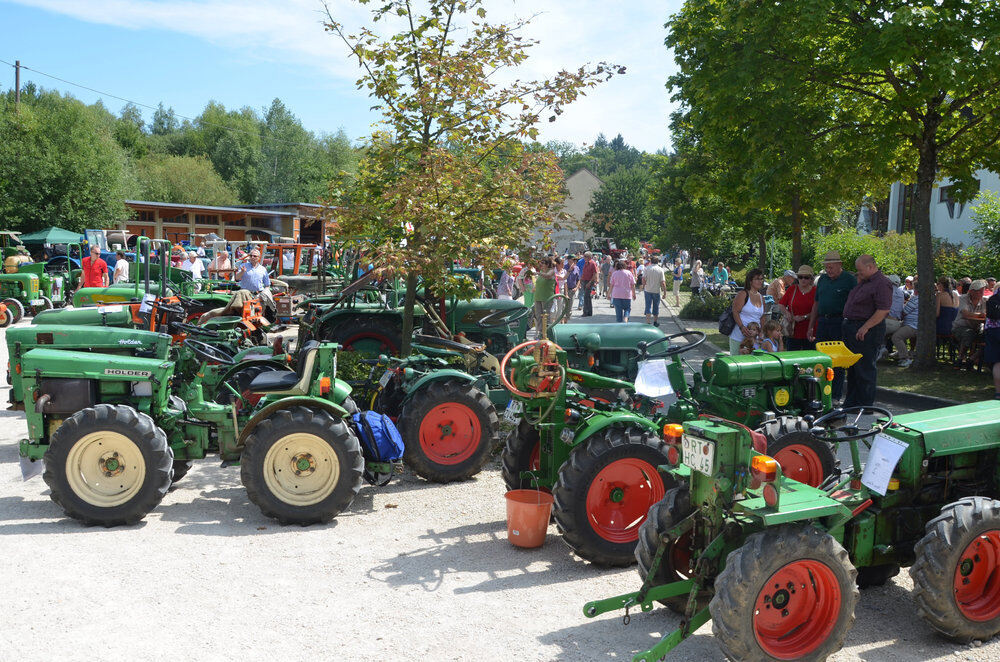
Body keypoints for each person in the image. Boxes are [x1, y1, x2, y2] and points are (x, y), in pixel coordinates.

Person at [841, 255, 894, 408]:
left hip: (866, 330)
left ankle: (865, 404)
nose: (858, 273)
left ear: (870, 267)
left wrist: (865, 327)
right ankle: (852, 403)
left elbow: (883, 310)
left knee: (865, 368)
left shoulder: (882, 283)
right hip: (853, 327)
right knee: (853, 368)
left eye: (860, 270)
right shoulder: (865, 282)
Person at [807, 250, 857, 402]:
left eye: (831, 268)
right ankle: (821, 393)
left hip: (839, 322)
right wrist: (811, 325)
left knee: (837, 361)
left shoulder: (849, 279)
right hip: (823, 321)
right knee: (821, 358)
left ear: (839, 265)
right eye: (827, 268)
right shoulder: (822, 279)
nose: (829, 271)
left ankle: (835, 396)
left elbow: (855, 302)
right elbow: (816, 303)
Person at [778, 265, 817, 350]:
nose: (803, 279)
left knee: (809, 359)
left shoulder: (816, 291)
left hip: (810, 331)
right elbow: (781, 304)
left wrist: (805, 317)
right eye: (800, 277)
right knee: (793, 358)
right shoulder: (792, 289)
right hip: (793, 330)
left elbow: (818, 310)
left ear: (811, 279)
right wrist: (787, 313)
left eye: (806, 277)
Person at [729, 269, 765, 355]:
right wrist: (742, 327)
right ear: (750, 281)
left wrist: (761, 332)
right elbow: (735, 311)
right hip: (739, 336)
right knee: (737, 364)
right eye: (757, 279)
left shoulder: (761, 297)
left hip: (754, 339)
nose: (760, 281)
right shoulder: (743, 294)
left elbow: (762, 316)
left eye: (761, 279)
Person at [953, 279, 988, 367]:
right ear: (971, 291)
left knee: (989, 339)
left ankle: (971, 359)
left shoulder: (985, 301)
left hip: (977, 328)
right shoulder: (963, 298)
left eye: (982, 291)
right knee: (968, 334)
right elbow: (965, 313)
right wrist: (980, 315)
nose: (980, 293)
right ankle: (960, 359)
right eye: (978, 291)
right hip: (960, 327)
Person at [891, 290, 919, 367]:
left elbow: (904, 312)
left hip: (912, 326)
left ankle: (905, 358)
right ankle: (900, 352)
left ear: (916, 290)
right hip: (914, 325)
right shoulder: (923, 300)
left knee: (896, 337)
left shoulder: (915, 299)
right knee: (894, 329)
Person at [880, 275, 906, 358]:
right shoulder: (901, 292)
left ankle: (881, 348)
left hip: (887, 321)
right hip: (897, 323)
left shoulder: (886, 291)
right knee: (883, 332)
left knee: (869, 327)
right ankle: (882, 348)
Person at [532, 257, 556, 331]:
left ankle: (547, 333)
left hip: (547, 298)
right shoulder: (541, 272)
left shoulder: (551, 271)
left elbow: (548, 276)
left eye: (542, 263)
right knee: (538, 316)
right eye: (540, 263)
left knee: (546, 317)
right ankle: (540, 333)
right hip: (538, 297)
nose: (541, 264)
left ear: (548, 264)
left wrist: (538, 273)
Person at [643, 258, 667, 326]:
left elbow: (643, 279)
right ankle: (655, 321)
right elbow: (663, 282)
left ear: (651, 261)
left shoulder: (647, 268)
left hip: (648, 289)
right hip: (656, 290)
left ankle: (648, 322)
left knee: (648, 305)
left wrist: (644, 286)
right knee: (656, 306)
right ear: (658, 261)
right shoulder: (660, 269)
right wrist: (665, 292)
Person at [580, 251, 598, 317]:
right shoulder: (586, 263)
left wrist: (590, 282)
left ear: (589, 257)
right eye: (584, 256)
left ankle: (585, 312)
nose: (584, 257)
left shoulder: (593, 263)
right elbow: (584, 272)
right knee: (587, 297)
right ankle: (589, 312)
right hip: (584, 280)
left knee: (586, 297)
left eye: (585, 256)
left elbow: (595, 273)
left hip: (589, 281)